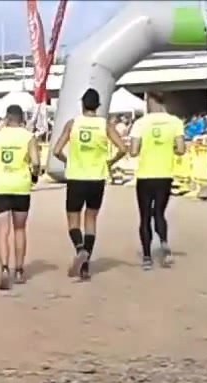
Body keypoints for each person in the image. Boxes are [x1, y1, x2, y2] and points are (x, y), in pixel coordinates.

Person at [51, 88, 127, 281]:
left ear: (82, 105)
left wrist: (68, 160)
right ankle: (85, 267)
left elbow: (56, 150)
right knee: (91, 219)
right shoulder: (105, 125)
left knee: (73, 219)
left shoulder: (72, 124)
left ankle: (79, 249)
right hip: (97, 178)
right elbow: (122, 148)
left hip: (76, 177)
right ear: (98, 106)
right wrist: (110, 162)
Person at [128, 92, 186, 270]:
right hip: (164, 174)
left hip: (145, 175)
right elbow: (181, 149)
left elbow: (133, 151)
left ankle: (147, 257)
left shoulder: (140, 123)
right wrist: (168, 148)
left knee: (144, 216)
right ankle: (164, 243)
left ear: (149, 101)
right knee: (159, 212)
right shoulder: (175, 122)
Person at [0, 104, 39, 290]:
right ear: (21, 118)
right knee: (20, 229)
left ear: (7, 118)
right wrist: (34, 175)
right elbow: (36, 162)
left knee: (2, 231)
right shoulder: (28, 136)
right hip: (21, 186)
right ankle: (20, 270)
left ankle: (4, 268)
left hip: (0, 186)